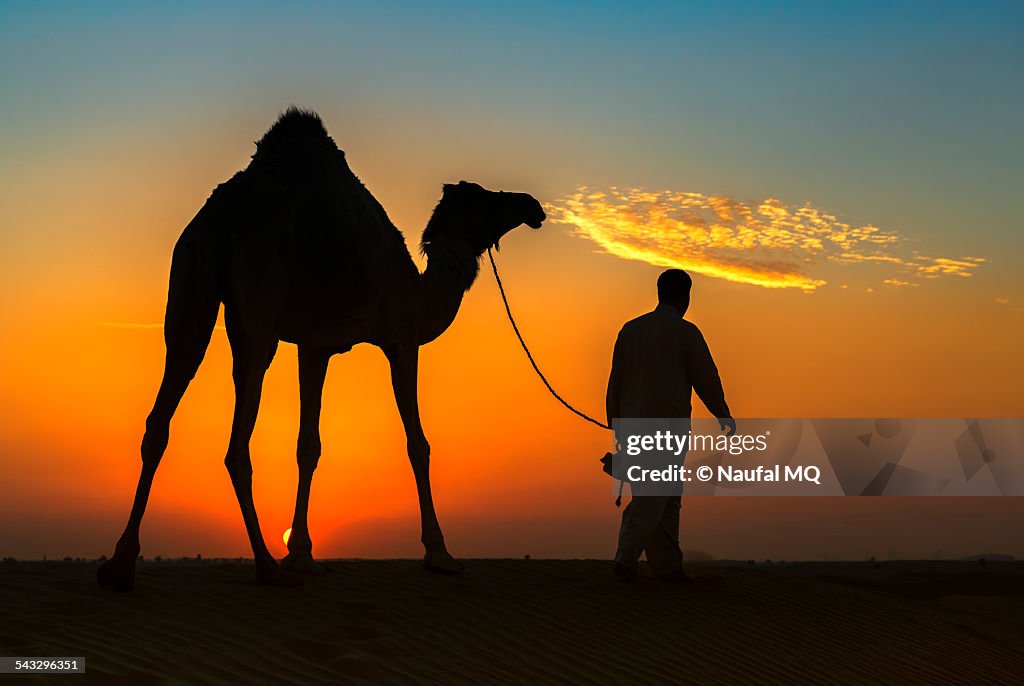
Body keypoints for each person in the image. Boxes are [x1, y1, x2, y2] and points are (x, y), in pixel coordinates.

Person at [606, 269, 735, 583]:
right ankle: (625, 561)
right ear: (685, 296)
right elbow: (705, 378)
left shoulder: (630, 330)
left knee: (667, 497)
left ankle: (668, 567)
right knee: (654, 497)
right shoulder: (685, 333)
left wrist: (615, 425)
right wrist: (723, 415)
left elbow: (615, 383)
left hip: (633, 427)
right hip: (666, 429)